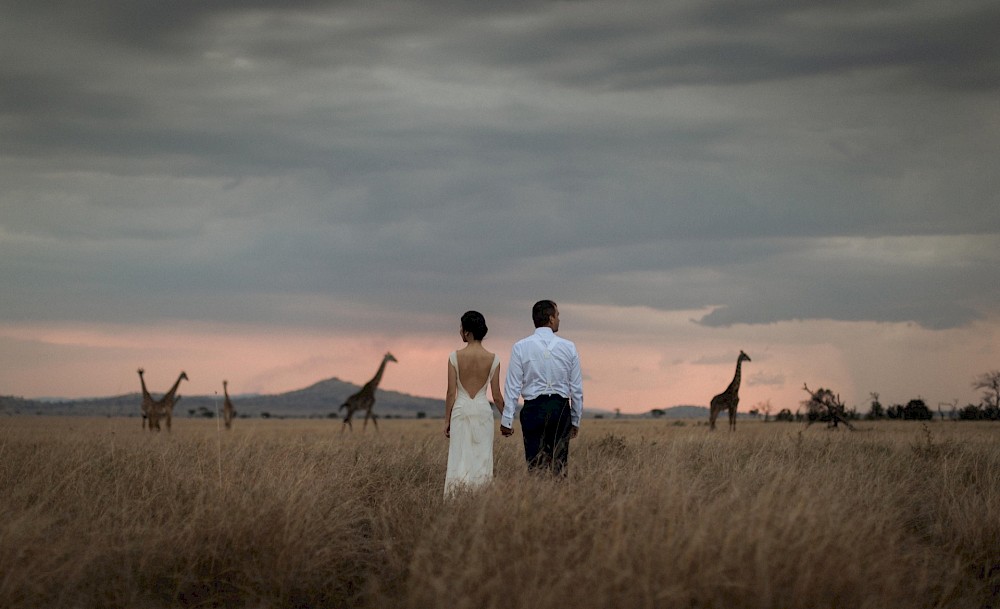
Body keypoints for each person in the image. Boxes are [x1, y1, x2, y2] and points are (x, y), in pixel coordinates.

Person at [501, 300, 583, 475]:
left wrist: (507, 420)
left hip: (533, 409)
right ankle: (558, 500)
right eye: (558, 315)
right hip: (560, 409)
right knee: (559, 466)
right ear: (551, 319)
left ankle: (538, 498)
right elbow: (576, 388)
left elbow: (513, 386)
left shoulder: (520, 347)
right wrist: (575, 420)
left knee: (534, 465)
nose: (559, 320)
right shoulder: (569, 347)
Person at [444, 310, 505, 496]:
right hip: (482, 411)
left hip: (461, 410)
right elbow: (496, 396)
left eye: (461, 328)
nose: (460, 332)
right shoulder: (494, 359)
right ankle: (480, 499)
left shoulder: (454, 357)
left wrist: (447, 421)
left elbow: (450, 392)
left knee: (458, 458)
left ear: (468, 332)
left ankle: (456, 499)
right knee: (482, 458)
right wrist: (507, 419)